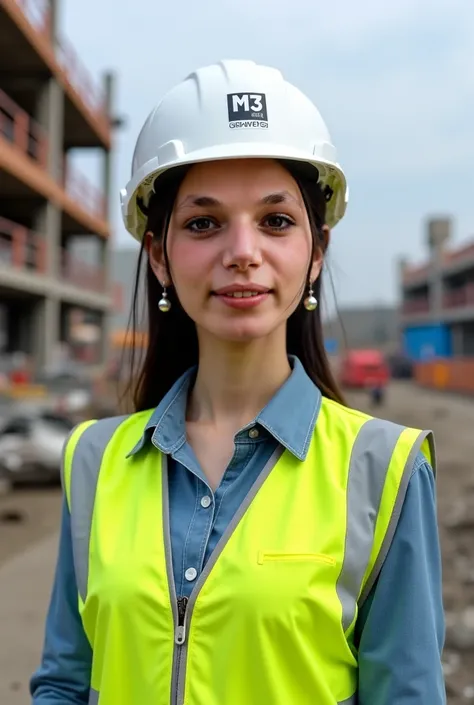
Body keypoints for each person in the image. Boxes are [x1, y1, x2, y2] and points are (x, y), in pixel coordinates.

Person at [30, 59, 446, 704]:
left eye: (276, 220)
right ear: (159, 256)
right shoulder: (94, 459)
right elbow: (65, 681)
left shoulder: (382, 469)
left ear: (317, 253)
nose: (243, 250)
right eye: (203, 222)